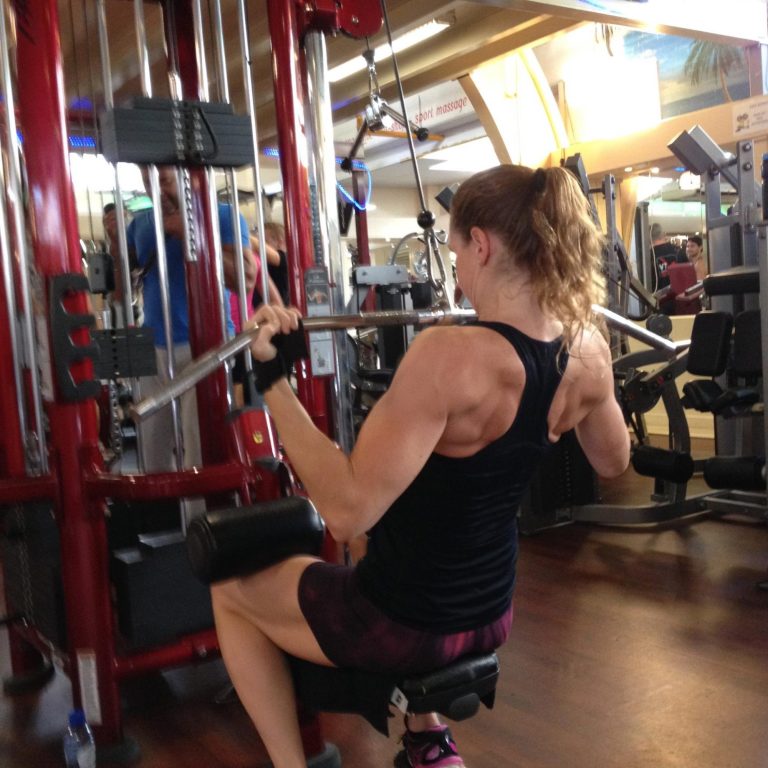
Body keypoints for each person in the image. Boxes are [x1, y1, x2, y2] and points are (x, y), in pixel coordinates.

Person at [211, 164, 631, 768]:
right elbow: (613, 460)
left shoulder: (448, 355)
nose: (457, 271)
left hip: (402, 623)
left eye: (456, 253)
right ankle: (428, 738)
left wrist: (273, 380)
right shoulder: (587, 348)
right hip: (490, 614)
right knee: (409, 535)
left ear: (481, 245)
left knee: (230, 591)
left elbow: (346, 514)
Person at [127, 166, 256, 472]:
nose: (157, 190)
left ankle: (203, 505)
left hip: (205, 347)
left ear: (185, 176)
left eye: (164, 180)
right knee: (151, 453)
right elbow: (125, 288)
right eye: (148, 180)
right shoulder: (139, 225)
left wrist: (189, 231)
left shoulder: (222, 215)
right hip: (152, 347)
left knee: (200, 451)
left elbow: (245, 279)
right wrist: (116, 252)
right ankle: (161, 504)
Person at [650, 222, 686, 292]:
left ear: (649, 238)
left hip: (658, 297)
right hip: (680, 295)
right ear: (664, 234)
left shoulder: (648, 257)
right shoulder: (679, 252)